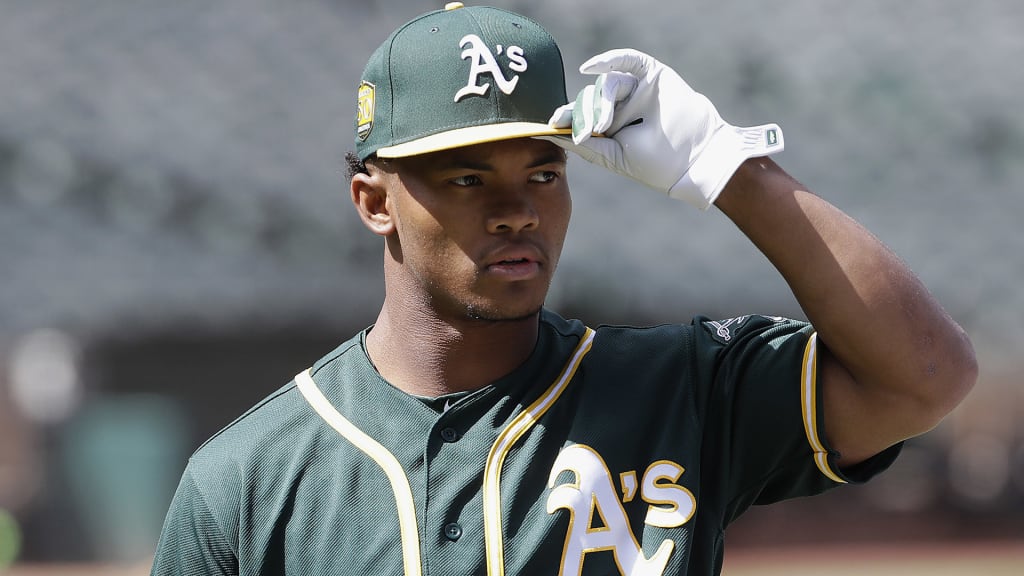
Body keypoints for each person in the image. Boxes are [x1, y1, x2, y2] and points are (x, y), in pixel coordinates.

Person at [150, 3, 977, 575]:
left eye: (543, 173)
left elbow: (926, 376)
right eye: (469, 178)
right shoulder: (247, 480)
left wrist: (734, 170)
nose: (517, 211)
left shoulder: (678, 391)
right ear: (374, 201)